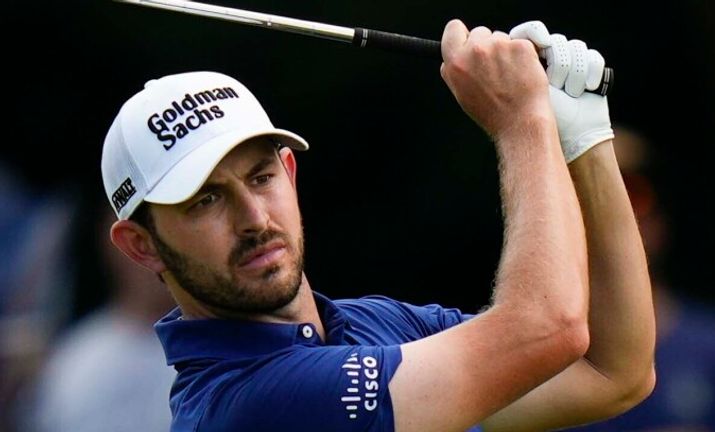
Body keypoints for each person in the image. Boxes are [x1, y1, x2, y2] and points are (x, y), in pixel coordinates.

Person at [100, 19, 656, 431]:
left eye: (261, 176)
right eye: (205, 201)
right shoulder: (245, 404)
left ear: (290, 173)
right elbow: (546, 329)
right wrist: (522, 122)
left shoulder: (371, 326)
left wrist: (586, 141)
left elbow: (613, 370)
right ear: (142, 246)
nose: (255, 218)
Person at [568, 126, 715, 432]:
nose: (611, 216)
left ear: (660, 219)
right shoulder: (538, 369)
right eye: (579, 197)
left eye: (633, 195)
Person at [20, 206, 177, 432]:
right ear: (115, 243)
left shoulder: (223, 343)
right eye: (138, 238)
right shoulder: (75, 360)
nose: (152, 251)